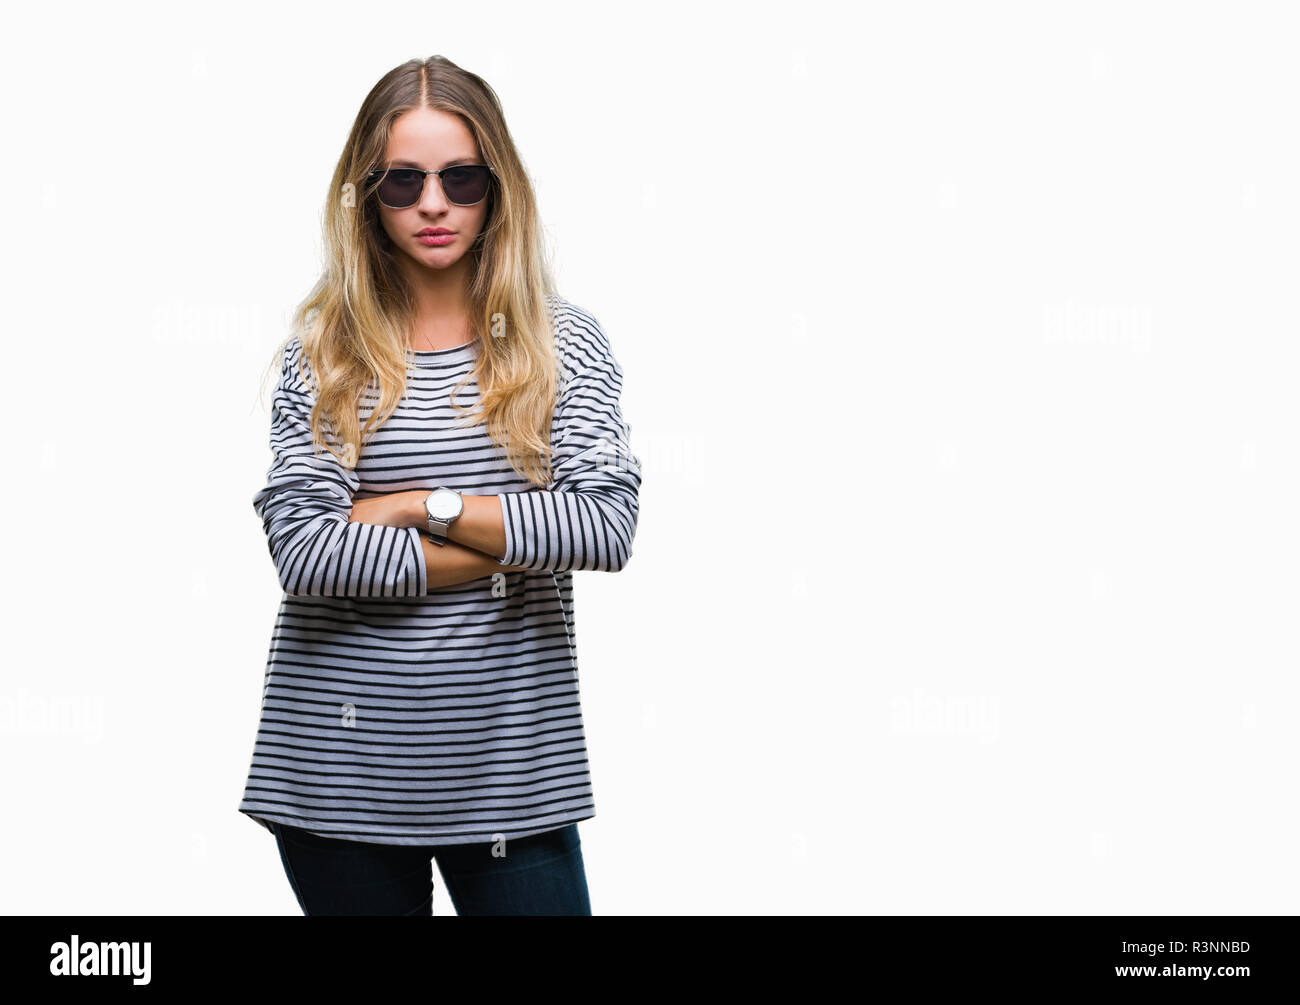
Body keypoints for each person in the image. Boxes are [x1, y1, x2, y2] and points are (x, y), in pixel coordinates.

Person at [238, 55, 641, 916]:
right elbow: (305, 549)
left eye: (461, 178)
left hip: (513, 778)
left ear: (499, 188)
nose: (433, 203)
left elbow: (605, 525)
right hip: (335, 779)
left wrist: (420, 504)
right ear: (365, 192)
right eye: (403, 181)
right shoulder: (327, 350)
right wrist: (515, 541)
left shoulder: (562, 342)